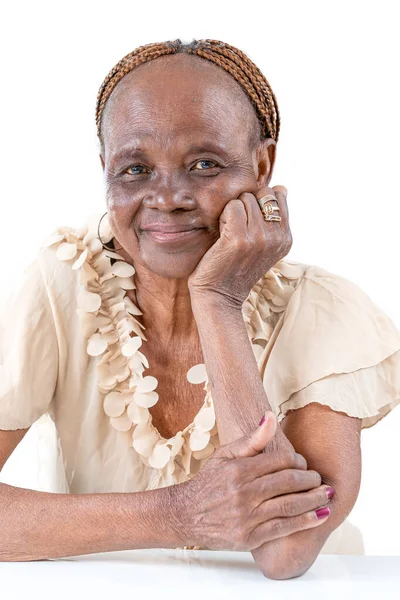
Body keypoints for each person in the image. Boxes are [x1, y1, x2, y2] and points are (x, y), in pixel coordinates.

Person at [0, 38, 399, 578]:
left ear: (262, 165)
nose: (168, 197)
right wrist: (179, 514)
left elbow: (285, 552)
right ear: (104, 170)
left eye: (205, 164)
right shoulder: (63, 283)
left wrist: (217, 299)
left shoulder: (327, 313)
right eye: (135, 169)